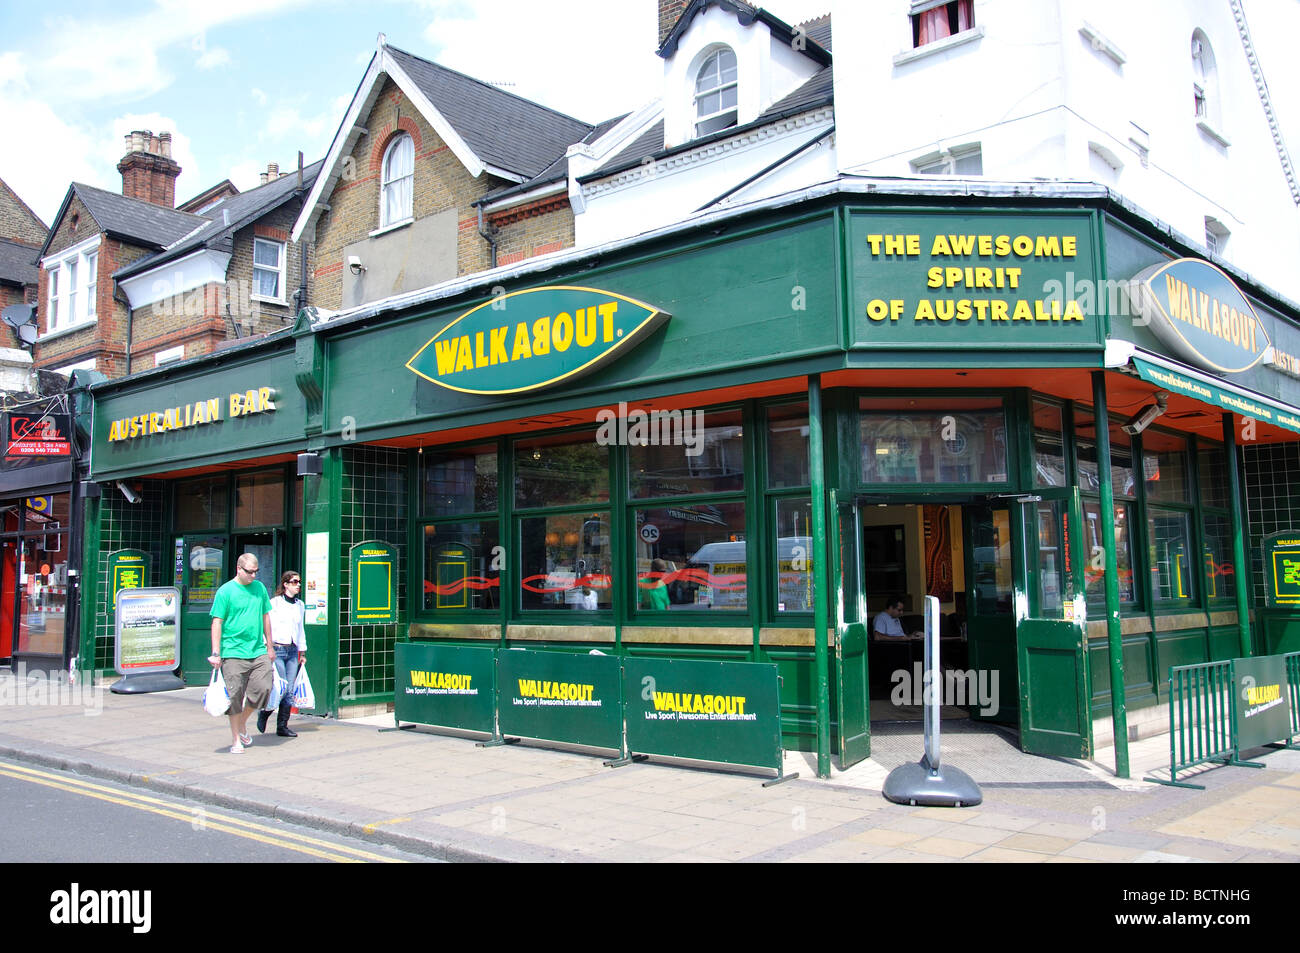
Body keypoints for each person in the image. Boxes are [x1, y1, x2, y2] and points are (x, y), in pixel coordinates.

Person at [209, 553, 274, 754]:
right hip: (233, 652)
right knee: (235, 695)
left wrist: (270, 645)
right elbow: (217, 622)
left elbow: (266, 616)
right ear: (239, 569)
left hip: (257, 650)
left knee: (264, 688)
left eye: (256, 572)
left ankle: (243, 722)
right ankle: (236, 739)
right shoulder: (225, 591)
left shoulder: (260, 588)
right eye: (249, 572)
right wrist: (216, 652)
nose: (253, 576)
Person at [257, 570, 307, 738]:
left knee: (290, 690)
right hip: (277, 649)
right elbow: (266, 626)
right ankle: (265, 713)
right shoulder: (275, 603)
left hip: (292, 650)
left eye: (299, 582)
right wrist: (268, 646)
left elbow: (300, 630)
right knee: (281, 687)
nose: (298, 585)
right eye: (294, 582)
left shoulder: (300, 605)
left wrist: (302, 651)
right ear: (285, 584)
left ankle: (282, 726)